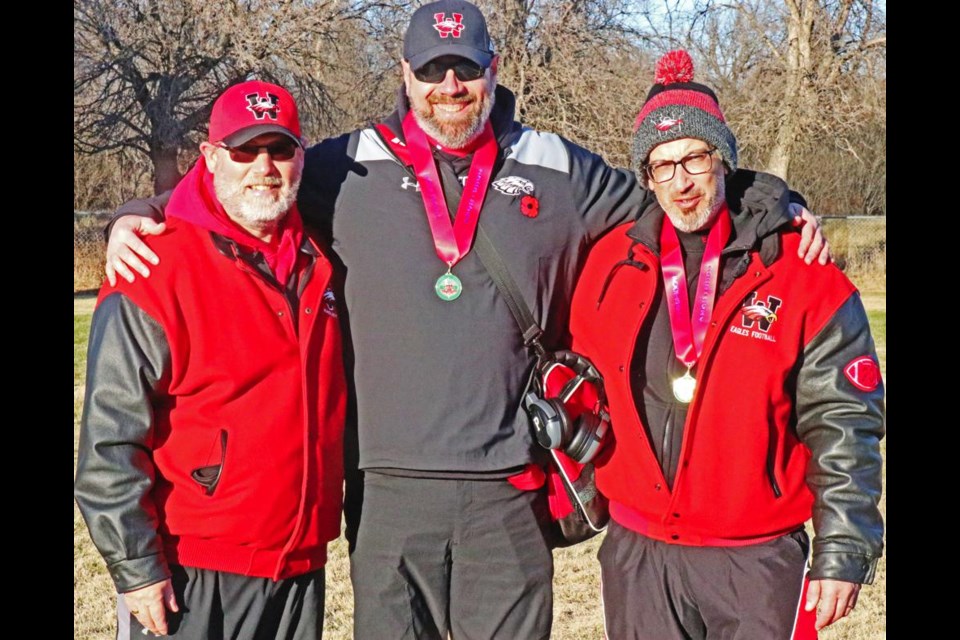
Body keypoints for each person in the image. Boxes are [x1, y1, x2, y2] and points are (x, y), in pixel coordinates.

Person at [101, 2, 831, 638]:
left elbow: (678, 193)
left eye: (466, 69)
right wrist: (139, 215)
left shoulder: (556, 167)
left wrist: (775, 204)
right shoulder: (341, 166)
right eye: (432, 70)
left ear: (493, 67)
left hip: (507, 492)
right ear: (404, 74)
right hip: (386, 493)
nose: (451, 88)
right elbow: (241, 187)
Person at [567, 49, 885, 639]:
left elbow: (845, 419)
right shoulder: (610, 263)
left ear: (724, 159)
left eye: (695, 157)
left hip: (756, 561)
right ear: (646, 176)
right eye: (662, 165)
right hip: (639, 554)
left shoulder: (800, 270)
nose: (681, 182)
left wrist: (843, 548)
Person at [74, 80, 347, 639]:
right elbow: (109, 443)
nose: (263, 167)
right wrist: (136, 570)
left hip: (299, 567)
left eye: (280, 149)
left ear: (302, 158)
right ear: (211, 157)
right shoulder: (152, 269)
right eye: (245, 150)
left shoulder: (320, 259)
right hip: (190, 571)